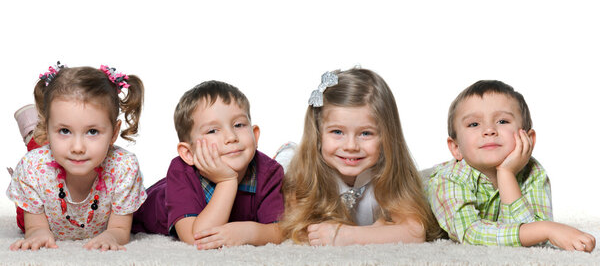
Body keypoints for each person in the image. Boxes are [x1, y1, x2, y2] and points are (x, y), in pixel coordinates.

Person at [426, 80, 596, 252]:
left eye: (502, 121)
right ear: (456, 148)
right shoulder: (448, 178)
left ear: (528, 138)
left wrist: (506, 174)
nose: (489, 130)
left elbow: (533, 240)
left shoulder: (533, 172)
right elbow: (471, 233)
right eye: (474, 124)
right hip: (407, 190)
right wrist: (546, 229)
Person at [280, 68, 442, 245]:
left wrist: (346, 236)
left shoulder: (388, 173)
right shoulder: (302, 172)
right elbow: (298, 230)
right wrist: (378, 230)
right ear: (318, 134)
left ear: (386, 136)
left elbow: (415, 232)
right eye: (337, 132)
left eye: (365, 133)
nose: (351, 146)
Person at [7, 62, 147, 251]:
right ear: (48, 129)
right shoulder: (33, 168)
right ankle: (33, 130)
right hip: (44, 173)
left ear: (114, 133)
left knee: (57, 149)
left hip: (57, 154)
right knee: (37, 150)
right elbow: (35, 227)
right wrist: (38, 232)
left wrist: (111, 236)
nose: (78, 147)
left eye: (92, 132)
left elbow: (120, 228)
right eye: (65, 130)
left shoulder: (124, 167)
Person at [132, 80, 284, 249]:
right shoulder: (181, 171)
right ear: (189, 153)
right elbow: (196, 238)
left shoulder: (269, 171)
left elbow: (281, 230)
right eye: (213, 130)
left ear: (255, 135)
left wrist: (250, 232)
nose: (231, 137)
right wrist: (227, 181)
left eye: (239, 125)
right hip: (148, 205)